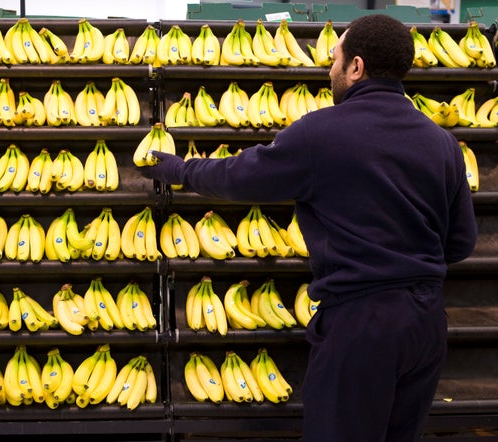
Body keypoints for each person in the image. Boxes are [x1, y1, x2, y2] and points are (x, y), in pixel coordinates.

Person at [139, 14, 478, 442]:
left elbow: (239, 177)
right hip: (426, 324)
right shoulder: (442, 142)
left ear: (356, 66)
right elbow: (462, 241)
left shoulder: (321, 133)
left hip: (362, 323)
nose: (329, 67)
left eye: (334, 57)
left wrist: (177, 169)